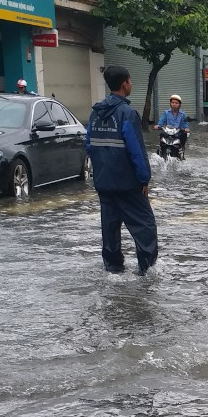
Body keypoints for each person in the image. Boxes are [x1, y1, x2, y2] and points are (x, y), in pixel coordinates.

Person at [85, 64, 157, 275]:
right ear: (125, 83)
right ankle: (147, 272)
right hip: (128, 184)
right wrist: (144, 179)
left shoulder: (95, 114)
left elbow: (89, 145)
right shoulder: (127, 114)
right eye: (131, 81)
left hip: (104, 182)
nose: (131, 84)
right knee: (145, 226)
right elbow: (136, 150)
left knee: (109, 226)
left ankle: (113, 269)